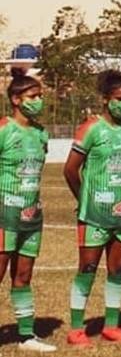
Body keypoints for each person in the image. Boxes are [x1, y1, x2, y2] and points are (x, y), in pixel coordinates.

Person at [63, 71, 121, 346]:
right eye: (119, 99)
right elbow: (71, 169)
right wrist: (84, 198)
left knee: (119, 268)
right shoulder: (91, 128)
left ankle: (111, 325)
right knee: (88, 268)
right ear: (106, 100)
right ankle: (75, 329)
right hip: (94, 213)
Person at [0, 69, 55, 352]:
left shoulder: (41, 133)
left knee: (23, 277)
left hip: (32, 216)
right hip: (3, 215)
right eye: (33, 96)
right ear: (16, 99)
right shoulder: (3, 130)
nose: (39, 101)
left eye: (40, 96)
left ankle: (26, 336)